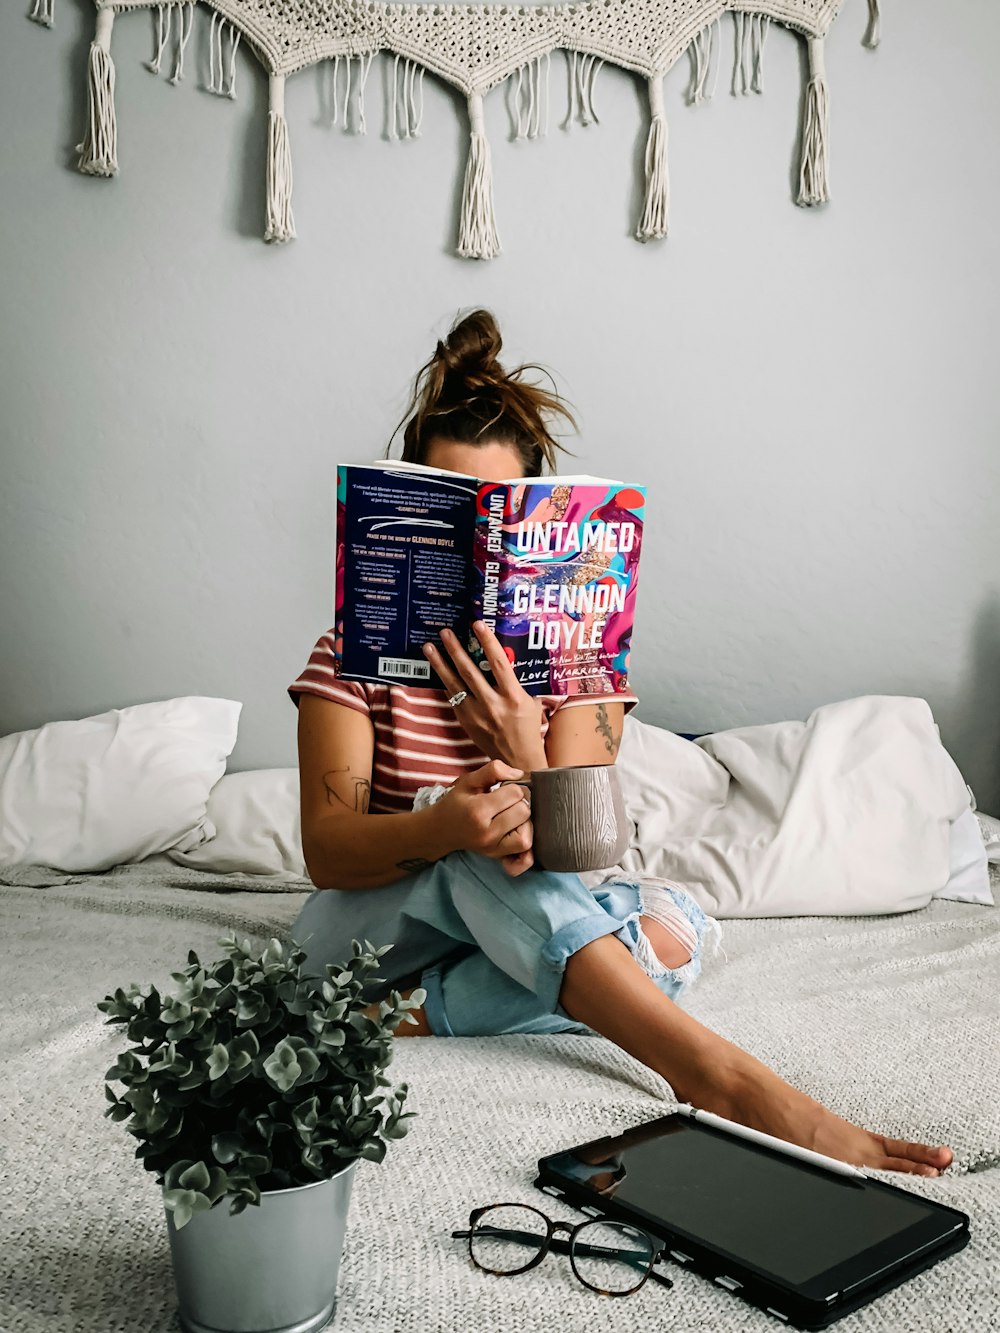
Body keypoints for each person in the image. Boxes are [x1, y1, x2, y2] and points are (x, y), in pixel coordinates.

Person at [287, 309, 953, 1179]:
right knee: (481, 855)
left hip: (515, 923)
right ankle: (721, 1076)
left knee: (680, 926)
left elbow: (589, 849)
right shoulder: (352, 653)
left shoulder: (577, 669)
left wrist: (528, 747)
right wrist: (445, 828)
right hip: (363, 939)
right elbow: (327, 852)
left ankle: (417, 1014)